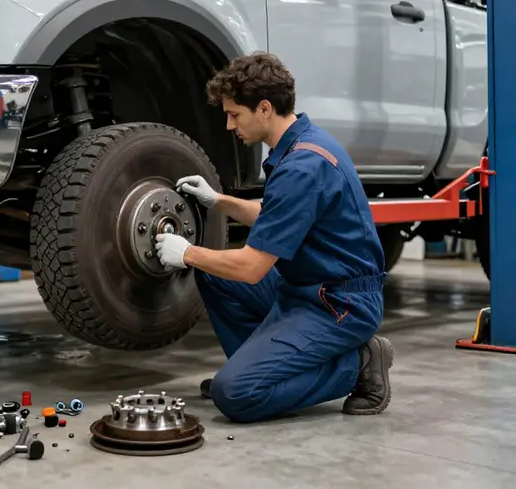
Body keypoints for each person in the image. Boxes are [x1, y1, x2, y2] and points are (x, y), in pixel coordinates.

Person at [154, 52, 393, 423]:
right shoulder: (305, 144)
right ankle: (261, 368)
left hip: (339, 304)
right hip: (307, 286)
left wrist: (186, 253)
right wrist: (217, 200)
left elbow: (251, 268)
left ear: (264, 108)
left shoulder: (303, 166)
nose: (230, 126)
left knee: (234, 394)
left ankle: (359, 363)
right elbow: (275, 213)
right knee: (215, 274)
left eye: (235, 114)